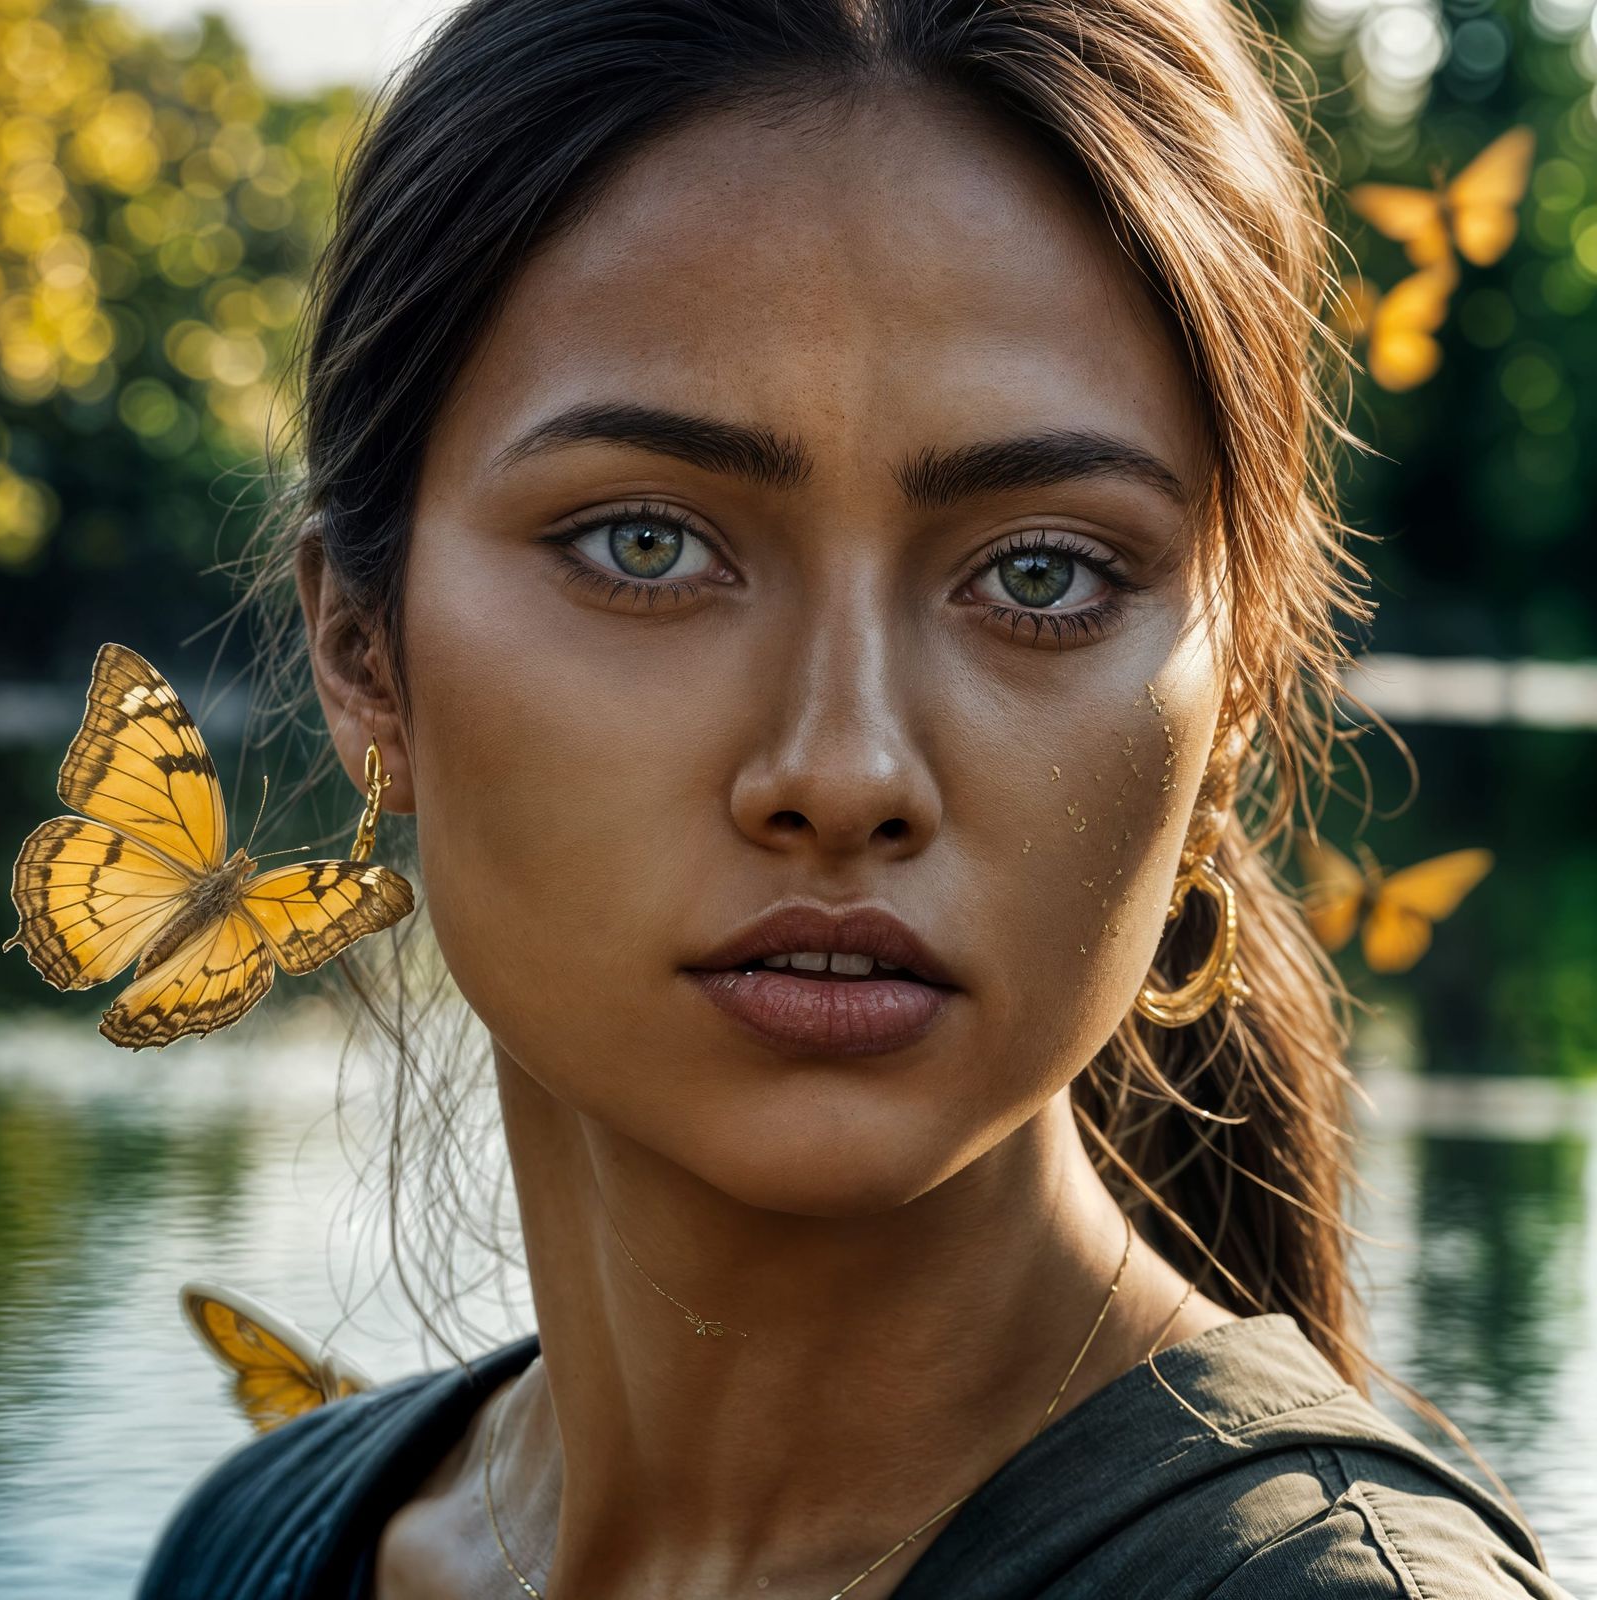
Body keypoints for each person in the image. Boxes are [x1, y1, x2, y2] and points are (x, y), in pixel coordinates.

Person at [135, 0, 1576, 1595]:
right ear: (362, 654)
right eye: (647, 544)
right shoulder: (250, 1547)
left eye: (1041, 572)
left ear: (1233, 703)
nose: (844, 772)